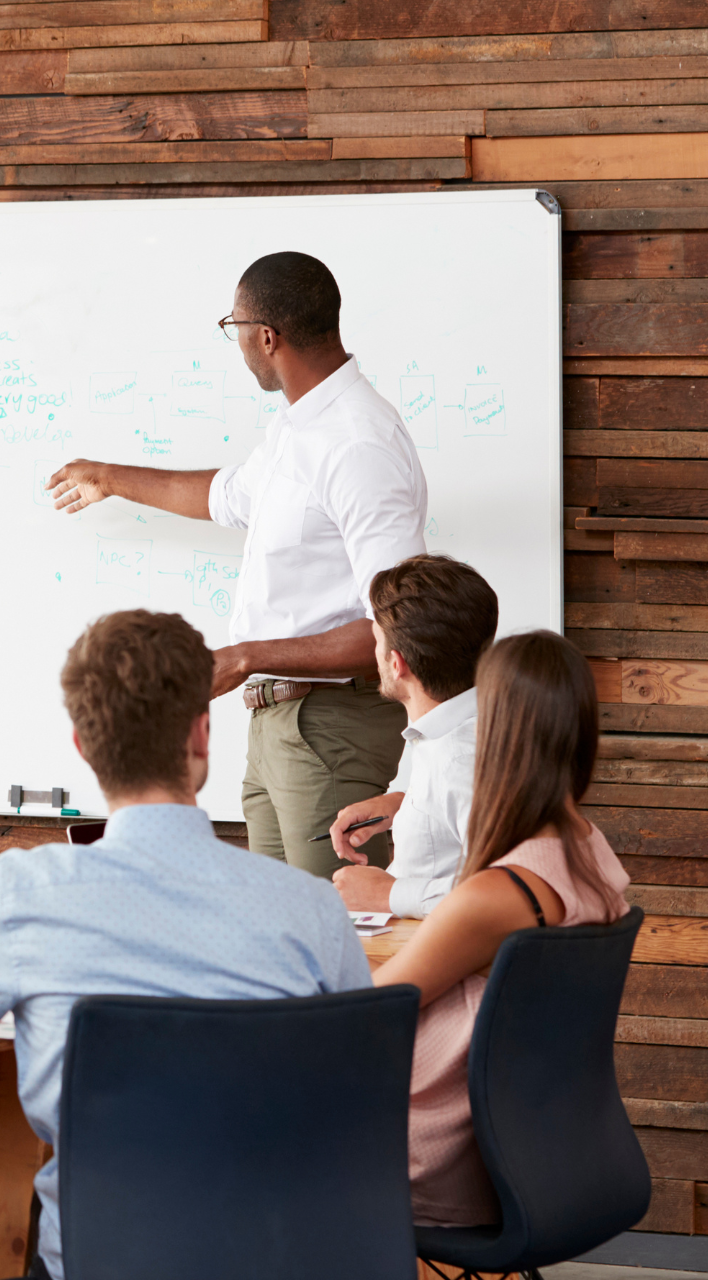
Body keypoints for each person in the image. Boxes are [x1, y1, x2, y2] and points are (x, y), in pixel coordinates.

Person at [0, 609, 372, 1280]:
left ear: (83, 746)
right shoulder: (313, 909)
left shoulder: (27, 895)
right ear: (203, 736)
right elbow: (362, 1106)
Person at [46, 251, 427, 879]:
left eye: (235, 327)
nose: (239, 343)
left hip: (326, 726)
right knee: (281, 934)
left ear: (267, 336)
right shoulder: (298, 430)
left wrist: (249, 655)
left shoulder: (358, 444)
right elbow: (222, 496)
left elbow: (396, 629)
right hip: (277, 721)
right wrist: (109, 478)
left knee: (329, 931)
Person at [370, 630, 630, 1227]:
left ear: (494, 732)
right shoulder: (592, 856)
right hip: (542, 1149)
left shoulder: (497, 893)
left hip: (436, 1154)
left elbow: (371, 1016)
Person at [331, 555, 499, 918]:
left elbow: (506, 890)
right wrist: (401, 806)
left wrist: (389, 895)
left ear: (396, 663)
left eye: (376, 641)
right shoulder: (458, 733)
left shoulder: (459, 758)